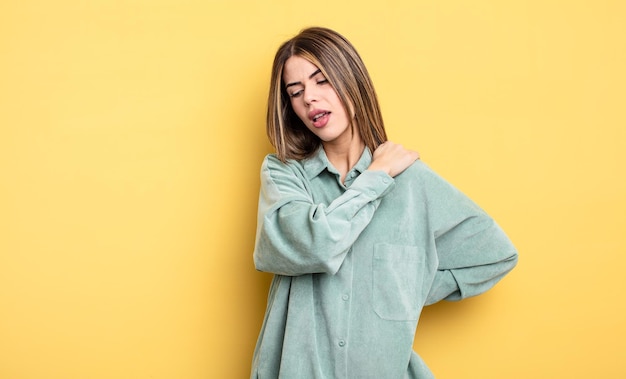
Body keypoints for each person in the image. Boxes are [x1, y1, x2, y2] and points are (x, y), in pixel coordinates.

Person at [250, 26, 518, 379]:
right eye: (295, 92)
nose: (309, 100)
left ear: (351, 81)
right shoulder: (285, 174)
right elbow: (313, 245)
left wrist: (403, 285)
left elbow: (496, 254)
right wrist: (375, 178)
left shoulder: (411, 181)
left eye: (322, 81)